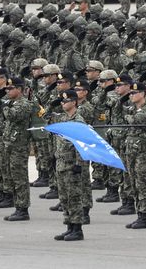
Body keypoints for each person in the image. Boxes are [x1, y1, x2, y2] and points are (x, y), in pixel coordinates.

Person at [0, 76, 33, 222]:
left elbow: (12, 116)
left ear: (19, 89)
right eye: (7, 88)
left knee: (20, 178)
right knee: (12, 176)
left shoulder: (23, 104)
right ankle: (17, 205)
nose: (7, 91)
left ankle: (22, 208)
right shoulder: (12, 102)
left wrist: (4, 105)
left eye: (11, 88)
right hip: (11, 145)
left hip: (19, 146)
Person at [53, 90, 86, 241]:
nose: (63, 104)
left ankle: (77, 228)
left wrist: (79, 164)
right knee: (64, 197)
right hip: (61, 163)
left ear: (74, 102)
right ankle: (69, 226)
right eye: (61, 102)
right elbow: (45, 117)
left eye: (65, 101)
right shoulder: (63, 119)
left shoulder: (78, 121)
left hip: (72, 165)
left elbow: (81, 144)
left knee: (74, 197)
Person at [123, 81, 146, 229]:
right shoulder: (134, 109)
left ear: (143, 94)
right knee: (134, 184)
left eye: (134, 93)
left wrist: (128, 117)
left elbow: (136, 120)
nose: (131, 95)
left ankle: (144, 215)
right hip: (132, 151)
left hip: (142, 152)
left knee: (142, 184)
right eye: (130, 93)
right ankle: (139, 214)